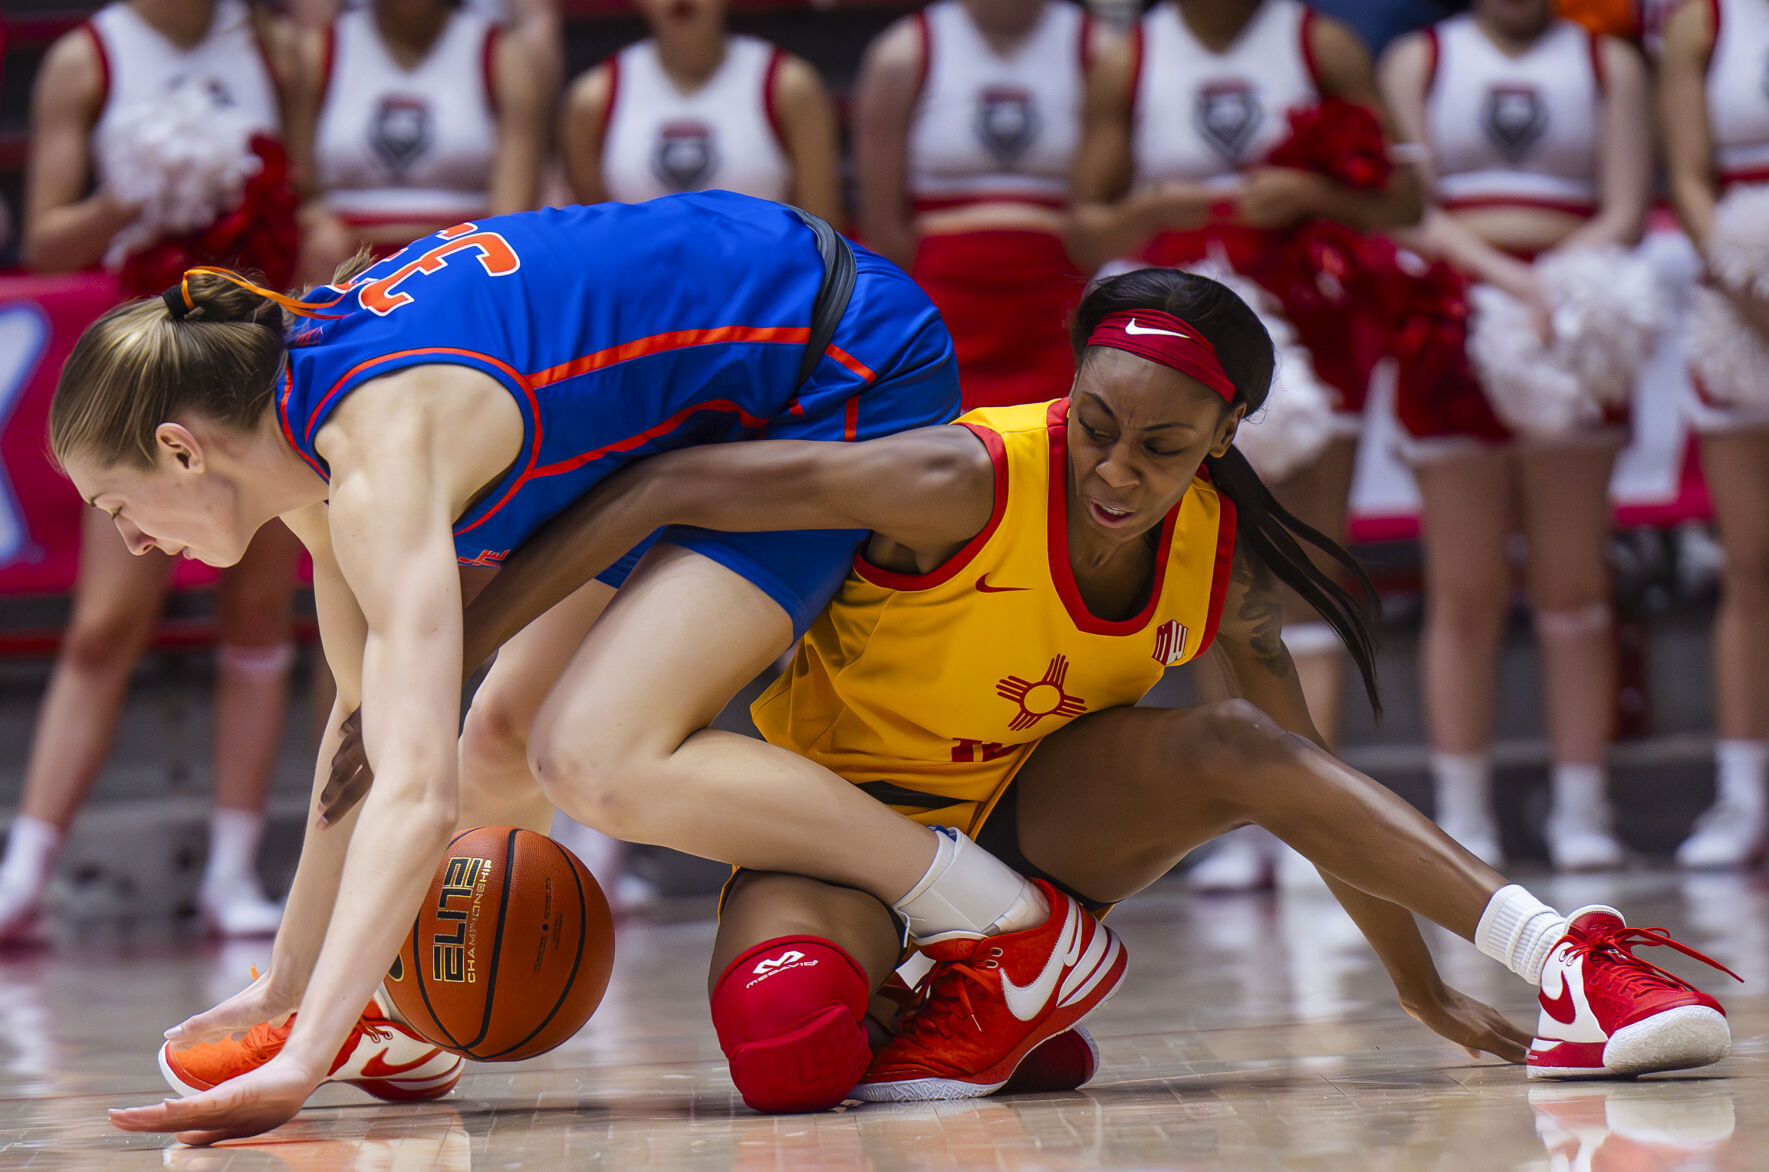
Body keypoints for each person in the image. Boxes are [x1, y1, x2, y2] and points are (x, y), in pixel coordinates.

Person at [371, 267, 1737, 1111]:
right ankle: (994, 996)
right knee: (787, 1048)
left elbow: (1307, 791)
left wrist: (1418, 985)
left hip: (1032, 826)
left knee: (1237, 743)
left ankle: (1575, 960)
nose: (1115, 467)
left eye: (1161, 446)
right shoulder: (953, 476)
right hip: (826, 823)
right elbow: (665, 483)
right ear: (1069, 389)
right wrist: (450, 648)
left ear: (1223, 440)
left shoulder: (1217, 549)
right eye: (1096, 421)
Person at [57, 191, 1118, 1144]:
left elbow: (417, 797)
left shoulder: (376, 459)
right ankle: (403, 1009)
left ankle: (1013, 928)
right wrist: (286, 990)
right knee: (498, 739)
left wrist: (295, 1061)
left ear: (183, 449)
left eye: (119, 509)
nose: (136, 543)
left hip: (830, 364)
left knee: (594, 758)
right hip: (670, 408)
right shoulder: (297, 436)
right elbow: (368, 731)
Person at [1067, 0, 1426, 888]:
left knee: (1303, 565)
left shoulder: (1322, 43)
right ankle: (1234, 819)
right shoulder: (1130, 58)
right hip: (1177, 347)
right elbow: (1081, 227)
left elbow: (1406, 200)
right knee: (1206, 570)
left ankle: (1317, 817)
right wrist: (1156, 206)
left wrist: (1312, 196)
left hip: (1308, 322)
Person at [3, 0, 307, 941]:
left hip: (253, 357)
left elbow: (310, 194)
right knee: (105, 623)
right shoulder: (87, 58)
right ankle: (24, 874)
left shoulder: (277, 45)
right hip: (143, 373)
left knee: (259, 612)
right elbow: (48, 240)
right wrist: (140, 199)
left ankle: (230, 874)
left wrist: (269, 210)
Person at [1378, 0, 1651, 869]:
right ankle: (1462, 818)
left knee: (1574, 590)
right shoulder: (1418, 60)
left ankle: (1583, 810)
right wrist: (1504, 283)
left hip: (1572, 328)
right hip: (1450, 324)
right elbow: (1409, 211)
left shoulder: (1609, 64)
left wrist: (1557, 290)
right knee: (1463, 591)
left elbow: (1625, 210)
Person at [851, 0, 1103, 410]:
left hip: (1062, 306)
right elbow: (881, 226)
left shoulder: (1100, 50)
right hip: (942, 305)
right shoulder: (902, 53)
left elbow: (1107, 212)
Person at [1658, 0, 1769, 867]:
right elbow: (1687, 173)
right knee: (1750, 559)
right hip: (1741, 305)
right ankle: (1743, 798)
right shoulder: (1703, 19)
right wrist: (1739, 276)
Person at [287, 0, 549, 284]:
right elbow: (299, 190)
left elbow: (511, 215)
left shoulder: (504, 54)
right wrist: (318, 227)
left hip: (460, 266)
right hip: (342, 267)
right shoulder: (316, 51)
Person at [562, 0, 841, 223]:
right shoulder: (592, 100)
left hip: (766, 288)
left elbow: (826, 238)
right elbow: (594, 243)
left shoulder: (790, 87)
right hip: (643, 290)